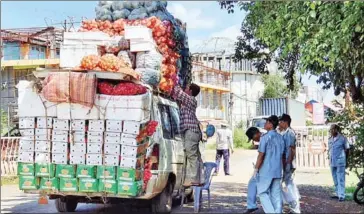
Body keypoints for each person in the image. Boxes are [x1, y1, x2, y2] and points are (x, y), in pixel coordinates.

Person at [171, 83, 204, 187]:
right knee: (195, 156)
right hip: (191, 131)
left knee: (191, 155)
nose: (185, 89)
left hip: (191, 130)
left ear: (190, 91)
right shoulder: (188, 102)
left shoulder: (190, 100)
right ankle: (200, 178)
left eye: (186, 88)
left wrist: (174, 81)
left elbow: (178, 92)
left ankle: (194, 179)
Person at [254, 115, 285, 213]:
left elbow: (261, 155)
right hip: (277, 170)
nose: (265, 124)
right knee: (276, 195)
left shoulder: (265, 137)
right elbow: (283, 156)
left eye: (266, 122)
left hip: (266, 170)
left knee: (262, 192)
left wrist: (256, 169)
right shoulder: (281, 138)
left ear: (271, 124)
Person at [278, 114, 301, 213]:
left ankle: (295, 206)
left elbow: (292, 149)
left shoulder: (290, 133)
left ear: (285, 122)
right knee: (284, 184)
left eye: (281, 122)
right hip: (283, 162)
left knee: (289, 184)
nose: (279, 123)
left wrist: (289, 162)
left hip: (288, 163)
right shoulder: (282, 132)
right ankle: (288, 205)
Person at [328, 124, 350, 202]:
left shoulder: (343, 138)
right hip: (332, 161)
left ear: (337, 130)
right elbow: (330, 150)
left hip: (340, 161)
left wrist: (346, 160)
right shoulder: (330, 139)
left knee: (341, 178)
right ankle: (338, 193)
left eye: (333, 129)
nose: (331, 131)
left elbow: (347, 149)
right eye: (331, 129)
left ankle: (342, 195)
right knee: (335, 178)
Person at [245, 127, 262, 213]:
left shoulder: (264, 139)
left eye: (253, 137)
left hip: (266, 168)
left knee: (266, 191)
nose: (253, 140)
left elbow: (261, 156)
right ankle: (251, 206)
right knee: (252, 183)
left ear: (256, 133)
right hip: (263, 167)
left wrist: (256, 168)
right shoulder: (263, 138)